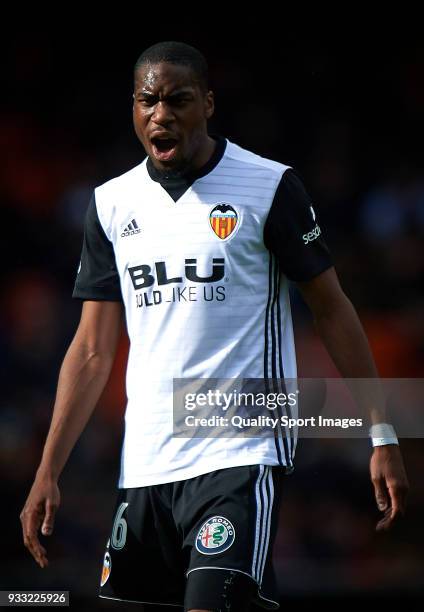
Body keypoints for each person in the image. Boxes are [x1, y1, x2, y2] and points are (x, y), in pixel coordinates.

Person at [20, 41, 409, 611]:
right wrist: (48, 468)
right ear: (133, 108)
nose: (161, 114)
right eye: (148, 100)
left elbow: (332, 308)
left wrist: (381, 434)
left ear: (207, 103)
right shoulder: (110, 205)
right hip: (146, 461)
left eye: (177, 99)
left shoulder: (270, 186)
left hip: (241, 451)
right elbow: (91, 350)